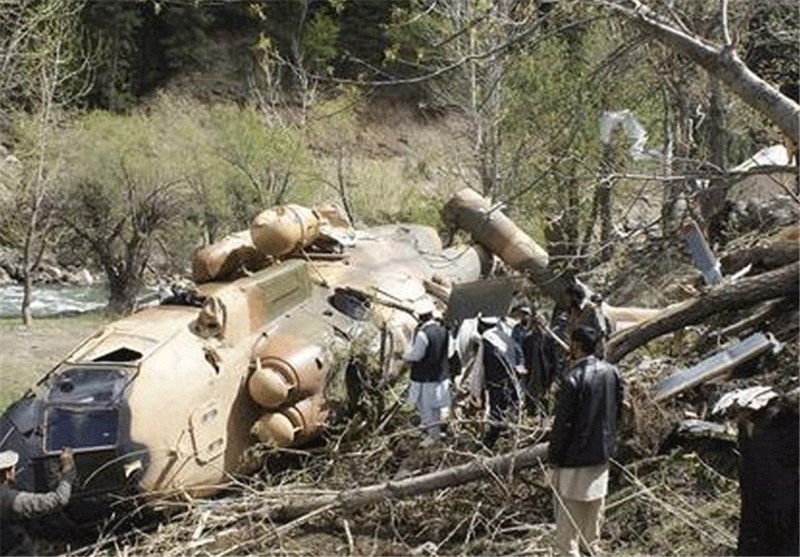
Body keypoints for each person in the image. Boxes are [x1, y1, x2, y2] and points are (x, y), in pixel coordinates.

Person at [548, 326, 623, 557]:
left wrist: (554, 457)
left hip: (574, 456)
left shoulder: (572, 379)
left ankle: (569, 553)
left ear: (577, 345)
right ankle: (592, 548)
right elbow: (618, 411)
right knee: (594, 507)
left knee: (568, 513)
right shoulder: (612, 372)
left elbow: (563, 424)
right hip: (601, 452)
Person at [0, 448, 76, 556]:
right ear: (7, 474)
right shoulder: (12, 500)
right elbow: (59, 499)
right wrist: (67, 472)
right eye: (13, 469)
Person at [403, 296, 451, 447]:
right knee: (435, 407)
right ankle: (427, 429)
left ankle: (433, 437)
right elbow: (449, 352)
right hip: (440, 376)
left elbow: (416, 356)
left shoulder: (423, 334)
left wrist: (404, 356)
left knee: (426, 407)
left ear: (420, 317)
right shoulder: (443, 331)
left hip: (426, 378)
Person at [478, 314, 526, 450]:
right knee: (508, 410)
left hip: (496, 384)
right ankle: (506, 436)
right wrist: (519, 366)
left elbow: (481, 366)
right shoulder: (504, 336)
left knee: (496, 412)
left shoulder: (487, 340)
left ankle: (490, 443)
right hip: (510, 382)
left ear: (481, 325)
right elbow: (518, 351)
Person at [521, 311, 558, 416]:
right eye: (536, 323)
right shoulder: (527, 340)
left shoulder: (548, 340)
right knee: (530, 402)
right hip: (531, 374)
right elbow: (523, 357)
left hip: (545, 375)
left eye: (540, 323)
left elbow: (554, 360)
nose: (538, 326)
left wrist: (554, 377)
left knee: (544, 403)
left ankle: (544, 423)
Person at [564, 282, 610, 358]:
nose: (566, 300)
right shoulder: (572, 312)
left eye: (568, 297)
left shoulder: (592, 309)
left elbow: (601, 331)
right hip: (578, 354)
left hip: (594, 353)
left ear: (574, 296)